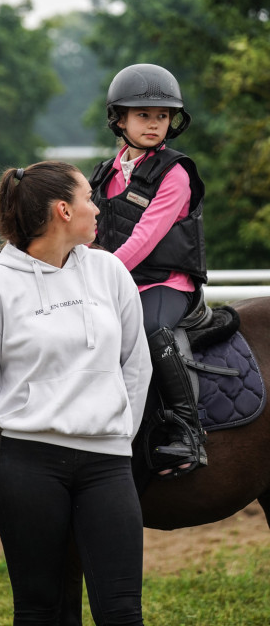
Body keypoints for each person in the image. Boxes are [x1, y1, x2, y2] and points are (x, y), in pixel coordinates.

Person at [0, 160, 152, 626]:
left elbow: (136, 365)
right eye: (87, 199)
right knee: (39, 612)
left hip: (107, 468)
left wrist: (119, 434)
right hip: (30, 468)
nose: (97, 209)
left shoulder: (110, 272)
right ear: (63, 210)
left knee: (123, 613)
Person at [89, 63, 208, 479]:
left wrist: (99, 274)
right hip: (121, 282)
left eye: (162, 116)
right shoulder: (105, 173)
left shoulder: (176, 173)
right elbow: (90, 232)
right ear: (119, 120)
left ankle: (185, 427)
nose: (155, 124)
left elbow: (144, 238)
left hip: (166, 283)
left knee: (154, 330)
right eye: (144, 115)